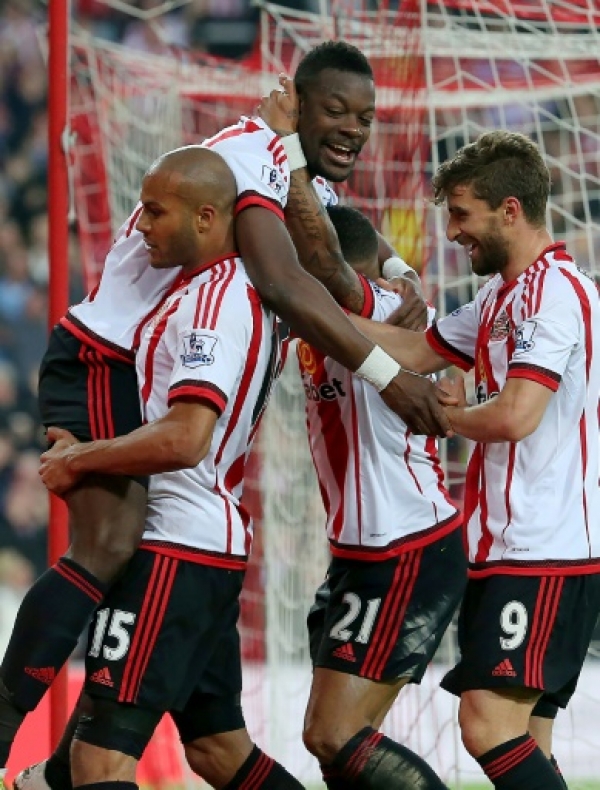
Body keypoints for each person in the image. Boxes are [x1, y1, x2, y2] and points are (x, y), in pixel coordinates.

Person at [0, 39, 452, 788]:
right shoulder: (245, 183)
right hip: (107, 364)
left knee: (197, 750)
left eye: (365, 117)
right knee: (106, 550)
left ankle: (39, 774)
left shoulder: (279, 183)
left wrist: (399, 275)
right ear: (293, 104)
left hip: (199, 515)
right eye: (334, 111)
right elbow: (288, 278)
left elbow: (339, 248)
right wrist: (388, 373)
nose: (353, 128)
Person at [334, 131, 600, 789]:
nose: (453, 232)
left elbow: (515, 415)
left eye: (461, 214)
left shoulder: (554, 292)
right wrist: (307, 308)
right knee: (527, 738)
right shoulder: (500, 298)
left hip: (545, 548)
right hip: (515, 546)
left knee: (486, 725)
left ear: (510, 210)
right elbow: (415, 350)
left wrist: (439, 415)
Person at [36, 145, 304, 790]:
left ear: (208, 218)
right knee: (218, 751)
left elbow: (186, 437)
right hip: (204, 548)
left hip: (175, 544)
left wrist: (82, 457)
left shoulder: (213, 306)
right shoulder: (223, 293)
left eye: (155, 212)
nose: (142, 225)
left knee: (98, 760)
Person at [297, 205, 467, 789]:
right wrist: (406, 270)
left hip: (403, 546)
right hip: (364, 551)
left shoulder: (379, 309)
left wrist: (402, 282)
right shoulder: (340, 308)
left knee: (331, 734)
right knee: (339, 753)